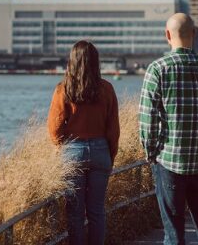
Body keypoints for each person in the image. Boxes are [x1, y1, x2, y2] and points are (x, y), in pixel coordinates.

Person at [139, 13, 198, 245]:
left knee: (173, 232)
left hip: (169, 161)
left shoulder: (157, 70)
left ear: (167, 35)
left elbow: (148, 121)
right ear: (194, 35)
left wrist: (152, 153)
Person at [48, 40, 120, 245]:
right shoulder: (107, 88)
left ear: (72, 61)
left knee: (75, 212)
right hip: (101, 151)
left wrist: (63, 146)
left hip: (72, 152)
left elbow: (54, 129)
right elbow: (113, 130)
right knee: (97, 211)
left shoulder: (63, 90)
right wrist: (110, 155)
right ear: (96, 62)